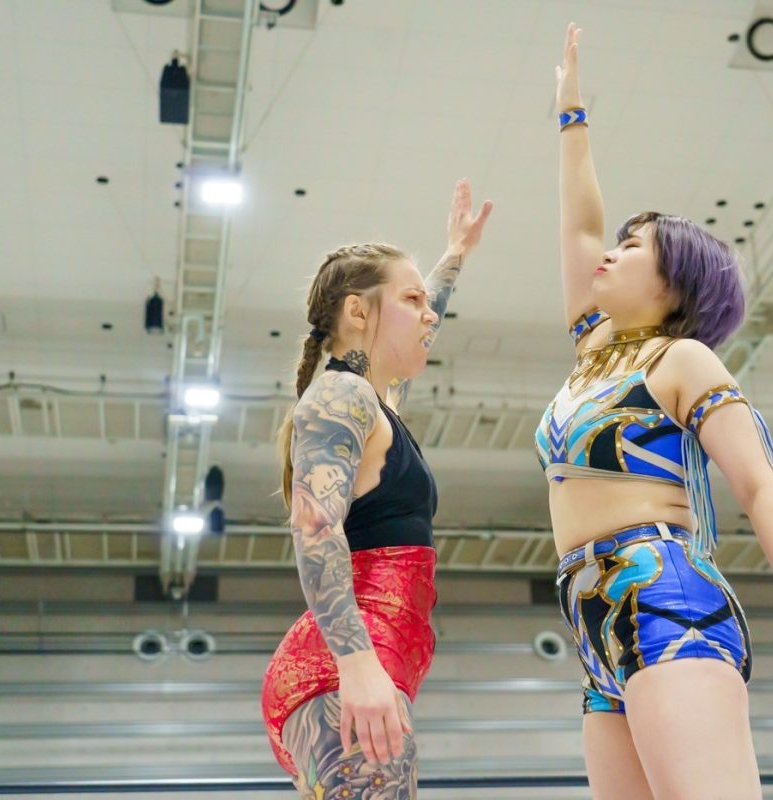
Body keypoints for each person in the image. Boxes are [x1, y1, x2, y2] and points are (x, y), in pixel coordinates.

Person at [535, 24, 773, 800]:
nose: (611, 251)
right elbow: (579, 226)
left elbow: (761, 486)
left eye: (634, 246)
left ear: (674, 285)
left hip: (666, 597)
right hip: (591, 617)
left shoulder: (682, 361)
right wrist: (571, 113)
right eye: (619, 241)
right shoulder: (594, 351)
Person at [261, 179, 492, 799]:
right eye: (412, 300)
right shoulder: (341, 396)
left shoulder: (372, 402)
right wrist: (358, 666)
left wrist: (454, 256)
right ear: (357, 313)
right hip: (344, 667)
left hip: (362, 662)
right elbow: (315, 528)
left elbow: (425, 323)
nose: (429, 314)